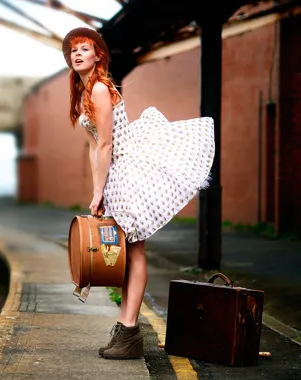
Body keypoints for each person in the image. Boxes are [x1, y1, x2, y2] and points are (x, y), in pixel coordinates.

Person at [62, 27, 215, 360]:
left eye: (84, 49)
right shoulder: (84, 93)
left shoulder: (101, 89)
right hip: (112, 175)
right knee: (123, 253)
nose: (77, 55)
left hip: (127, 171)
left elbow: (106, 144)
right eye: (73, 51)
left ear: (97, 56)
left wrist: (101, 189)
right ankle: (125, 329)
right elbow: (92, 148)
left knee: (134, 250)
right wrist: (96, 191)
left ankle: (129, 331)